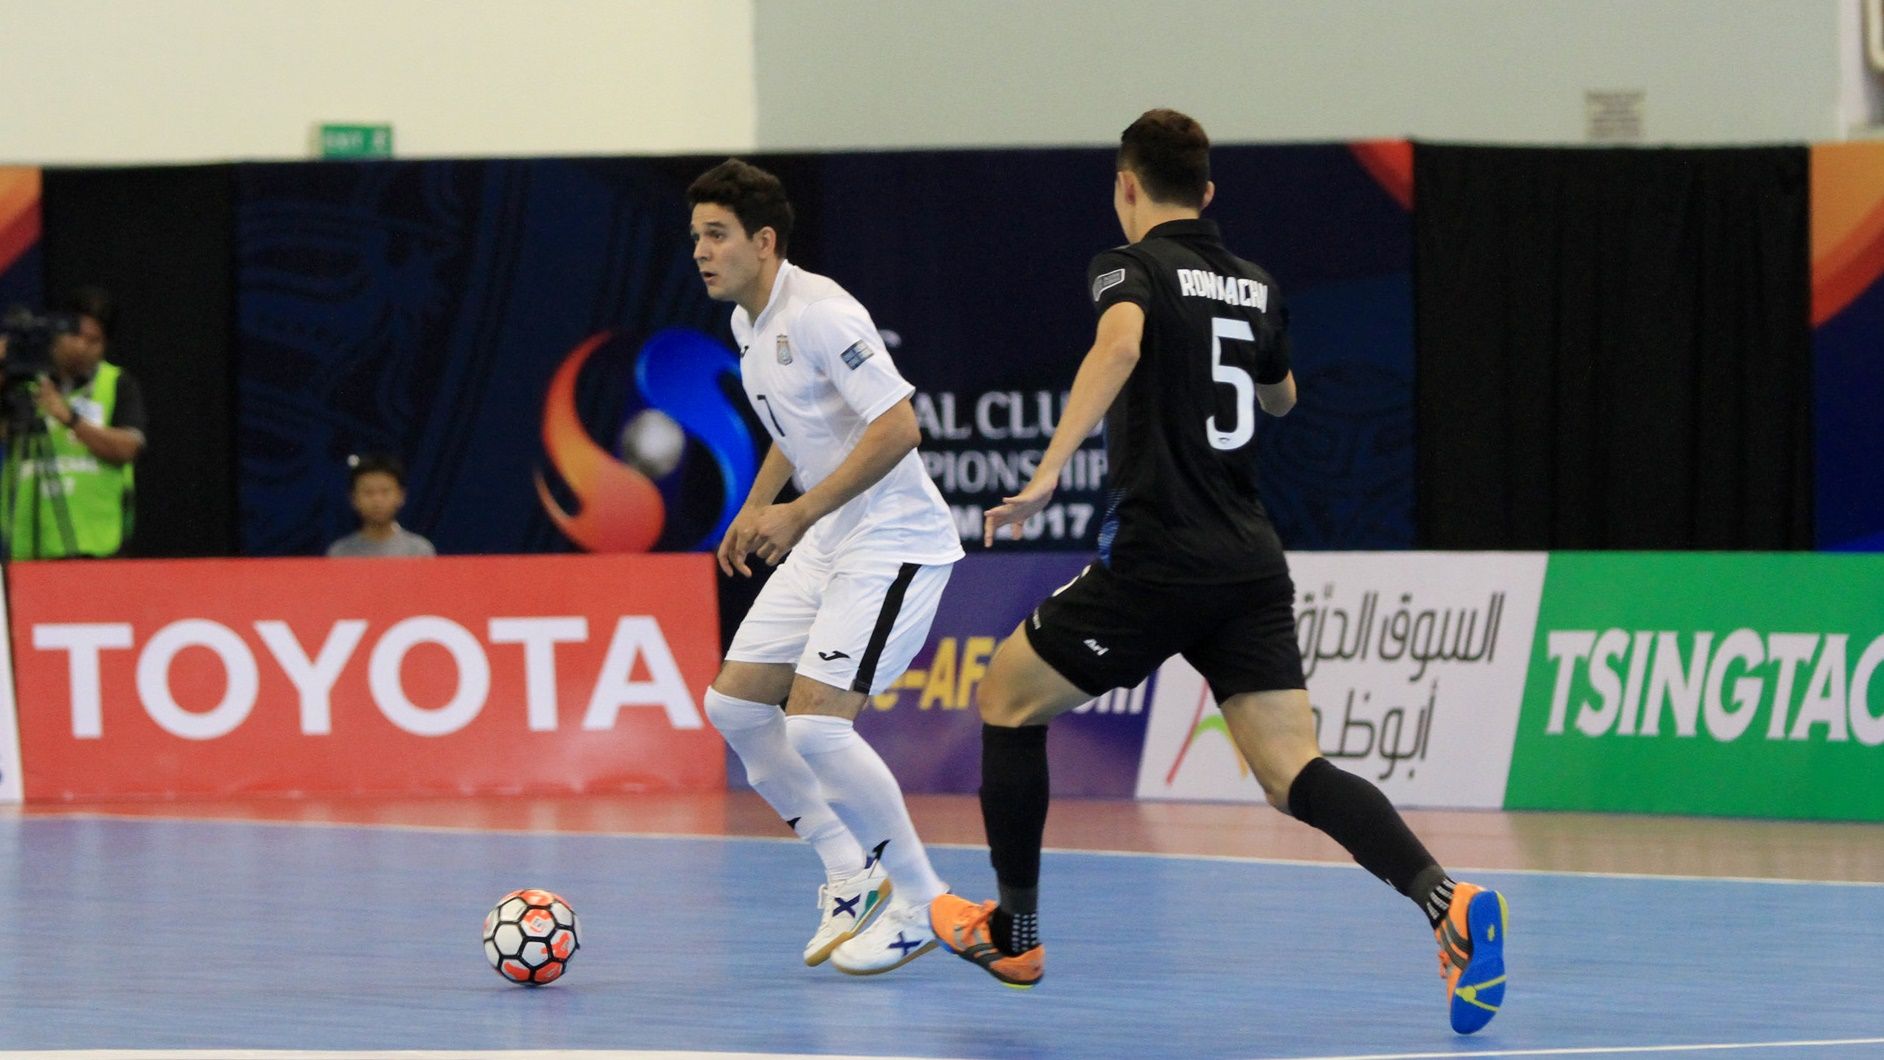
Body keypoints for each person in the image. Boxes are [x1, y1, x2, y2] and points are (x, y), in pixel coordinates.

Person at [927, 110, 1509, 1036]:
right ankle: (1448, 900)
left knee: (1005, 697)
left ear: (1127, 187)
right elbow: (1280, 396)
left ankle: (1016, 932)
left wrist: (1043, 476)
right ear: (1207, 193)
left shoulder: (1128, 266)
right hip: (1248, 561)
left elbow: (1117, 347)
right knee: (1291, 772)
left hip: (1160, 557)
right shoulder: (1256, 285)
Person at [688, 159, 966, 976]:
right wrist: (755, 506)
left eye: (717, 236)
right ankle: (851, 872)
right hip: (828, 538)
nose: (700, 252)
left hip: (892, 540)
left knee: (815, 725)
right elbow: (800, 424)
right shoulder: (750, 323)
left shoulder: (822, 313)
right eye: (695, 237)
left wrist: (799, 512)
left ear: (764, 241)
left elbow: (898, 427)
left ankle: (920, 902)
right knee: (733, 709)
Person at [0, 286, 147, 559]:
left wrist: (70, 418)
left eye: (93, 340)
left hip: (92, 545)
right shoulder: (24, 382)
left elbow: (128, 448)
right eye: (75, 335)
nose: (81, 347)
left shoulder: (117, 384)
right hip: (26, 547)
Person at [325, 454, 436, 558]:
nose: (377, 500)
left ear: (400, 496)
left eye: (385, 491)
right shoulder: (339, 553)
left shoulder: (419, 550)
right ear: (354, 499)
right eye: (368, 492)